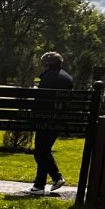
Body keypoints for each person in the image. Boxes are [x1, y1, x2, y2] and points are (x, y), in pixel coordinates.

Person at [28, 51, 74, 195]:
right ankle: (45, 182)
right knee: (44, 151)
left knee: (40, 151)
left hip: (45, 119)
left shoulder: (47, 77)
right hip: (59, 120)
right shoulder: (68, 78)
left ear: (48, 63)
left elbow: (40, 101)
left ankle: (47, 181)